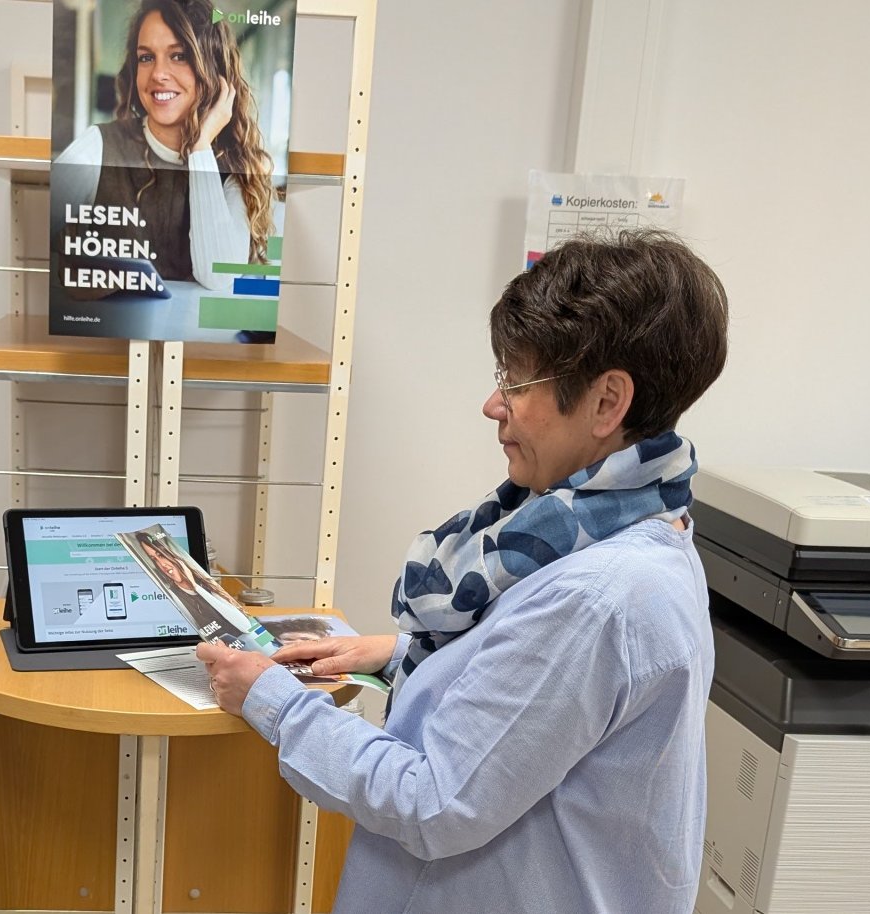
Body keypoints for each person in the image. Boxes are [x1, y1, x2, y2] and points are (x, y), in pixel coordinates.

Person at [199, 230, 730, 913]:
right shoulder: (635, 524)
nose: (493, 403)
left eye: (517, 380)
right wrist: (398, 654)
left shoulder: (596, 600)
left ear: (607, 403)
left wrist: (272, 701)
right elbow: (542, 690)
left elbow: (432, 802)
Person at [51, 0, 276, 291]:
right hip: (111, 334)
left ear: (214, 71)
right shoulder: (98, 145)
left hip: (193, 337)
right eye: (146, 58)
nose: (158, 73)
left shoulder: (235, 165)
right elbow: (35, 235)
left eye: (179, 55)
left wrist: (200, 149)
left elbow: (220, 277)